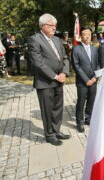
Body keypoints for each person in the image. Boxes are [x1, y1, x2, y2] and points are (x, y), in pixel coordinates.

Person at [27, 13, 70, 146]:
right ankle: (49, 134)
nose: (54, 28)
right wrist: (54, 76)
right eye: (52, 25)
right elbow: (38, 63)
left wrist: (64, 72)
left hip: (59, 80)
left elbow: (65, 58)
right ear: (43, 25)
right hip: (45, 82)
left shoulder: (57, 40)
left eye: (55, 26)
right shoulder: (35, 39)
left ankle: (56, 131)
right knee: (47, 110)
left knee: (58, 108)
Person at [72, 27, 99, 133]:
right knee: (81, 101)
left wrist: (95, 77)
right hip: (82, 82)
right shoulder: (76, 49)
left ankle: (89, 118)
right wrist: (86, 79)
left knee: (91, 100)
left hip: (93, 80)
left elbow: (97, 63)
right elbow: (76, 66)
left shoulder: (94, 48)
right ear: (81, 36)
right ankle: (79, 122)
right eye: (84, 34)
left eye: (89, 34)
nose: (87, 36)